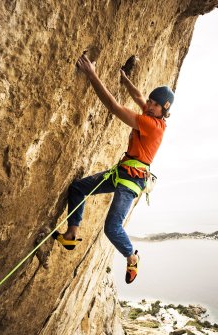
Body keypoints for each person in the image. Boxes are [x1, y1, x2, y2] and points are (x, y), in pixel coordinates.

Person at [53, 52, 174, 284]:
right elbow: (138, 96)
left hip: (132, 181)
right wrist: (124, 78)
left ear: (163, 109)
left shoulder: (153, 125)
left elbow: (114, 107)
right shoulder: (150, 111)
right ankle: (71, 233)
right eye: (150, 101)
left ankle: (131, 256)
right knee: (77, 188)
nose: (148, 105)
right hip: (121, 173)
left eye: (155, 104)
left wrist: (92, 75)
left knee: (112, 227)